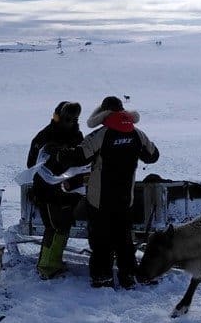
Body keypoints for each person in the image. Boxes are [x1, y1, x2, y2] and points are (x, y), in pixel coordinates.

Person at [53, 96, 159, 289]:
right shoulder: (137, 134)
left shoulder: (101, 135)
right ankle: (128, 277)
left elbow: (80, 156)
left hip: (100, 199)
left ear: (104, 112)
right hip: (125, 198)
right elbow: (153, 156)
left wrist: (61, 154)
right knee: (124, 240)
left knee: (101, 242)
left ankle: (103, 278)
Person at [27, 101, 86, 279]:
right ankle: (47, 265)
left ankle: (53, 262)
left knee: (62, 226)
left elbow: (83, 160)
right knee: (54, 227)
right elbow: (32, 164)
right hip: (48, 190)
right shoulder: (45, 136)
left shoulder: (75, 136)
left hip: (68, 190)